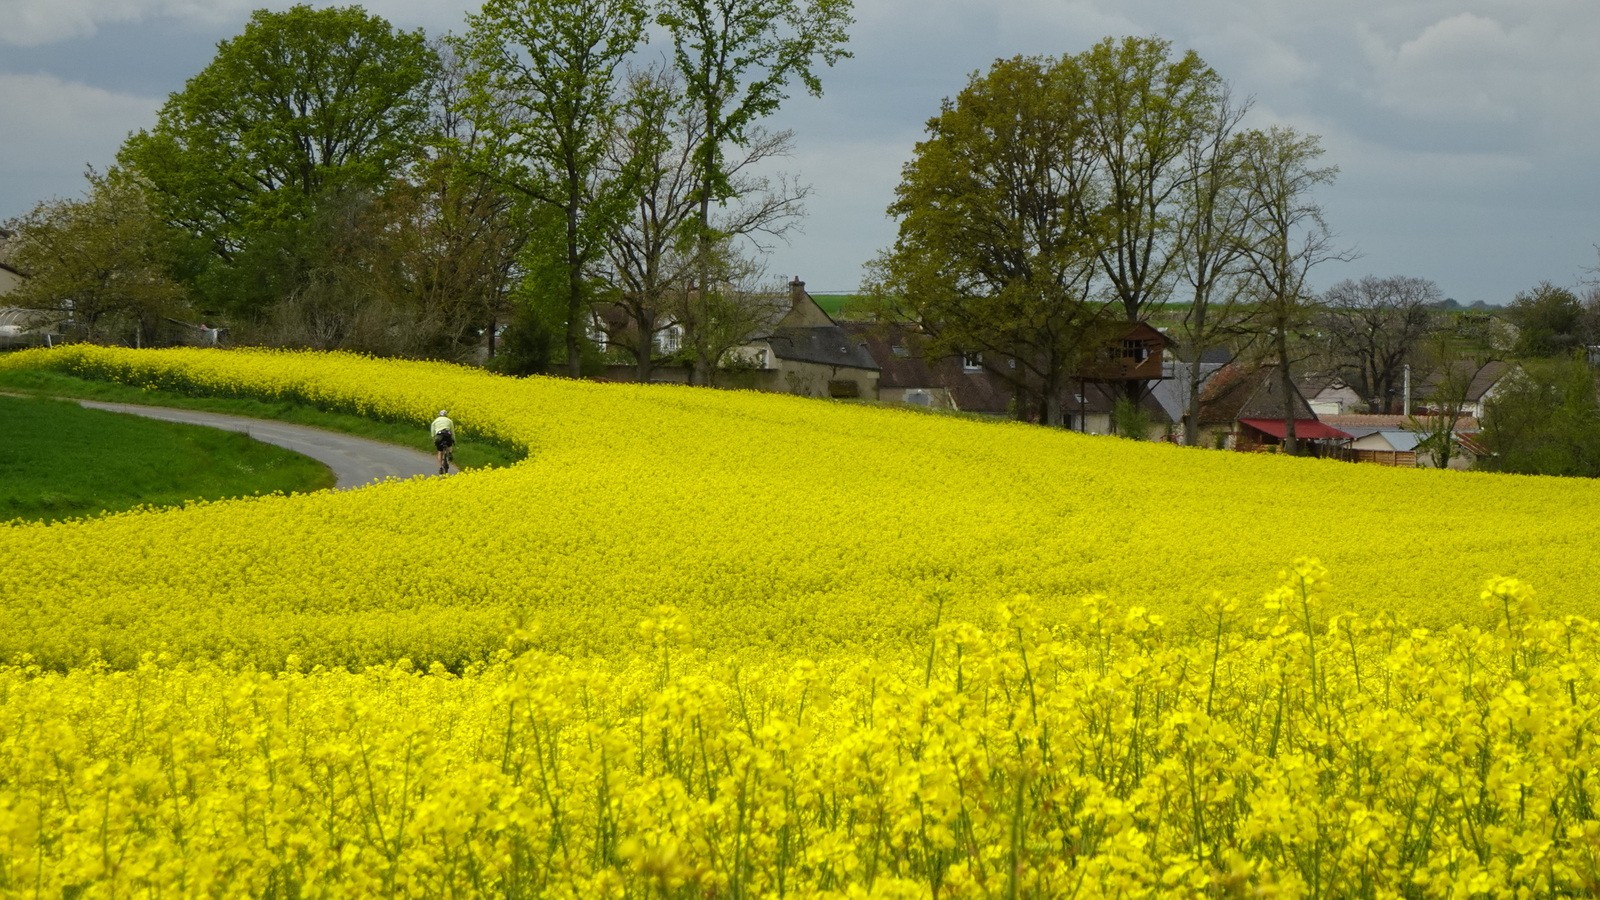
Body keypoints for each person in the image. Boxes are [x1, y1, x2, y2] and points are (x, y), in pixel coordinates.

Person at [430, 410, 456, 475]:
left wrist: (434, 439)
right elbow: (452, 431)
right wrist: (454, 439)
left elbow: (432, 432)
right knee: (449, 445)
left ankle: (440, 468)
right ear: (446, 415)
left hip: (439, 435)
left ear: (439, 415)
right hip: (447, 434)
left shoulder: (435, 421)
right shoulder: (449, 420)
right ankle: (449, 453)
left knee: (440, 452)